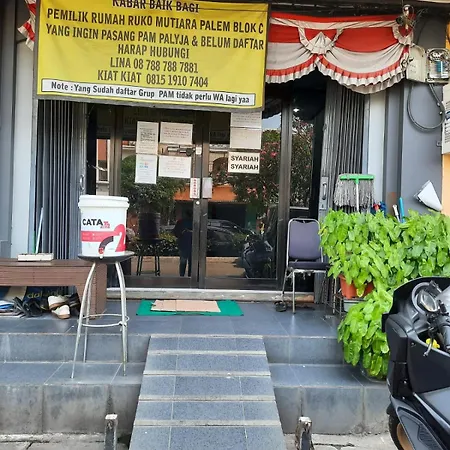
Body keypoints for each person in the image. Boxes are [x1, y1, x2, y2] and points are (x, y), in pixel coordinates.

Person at [173, 210, 193, 277]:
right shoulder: (194, 222)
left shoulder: (180, 222)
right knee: (191, 262)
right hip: (192, 244)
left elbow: (175, 233)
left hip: (183, 244)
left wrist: (181, 234)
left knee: (183, 261)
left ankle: (182, 276)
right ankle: (190, 276)